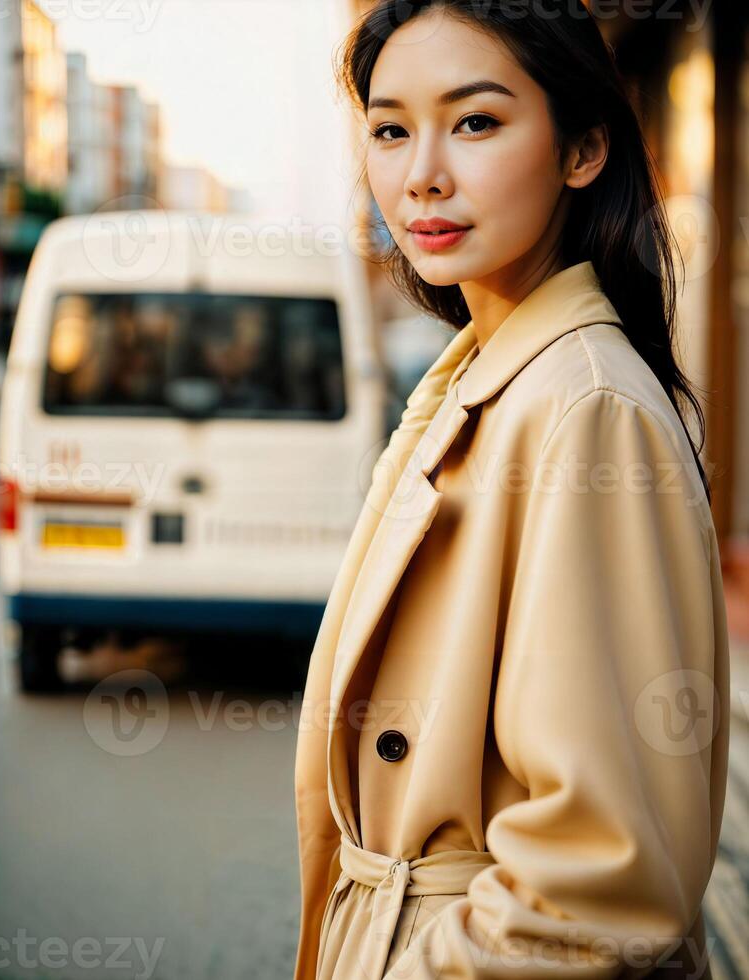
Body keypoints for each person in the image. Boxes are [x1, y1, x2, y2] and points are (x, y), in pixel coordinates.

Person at [293, 2, 730, 978]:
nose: (423, 174)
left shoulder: (582, 409)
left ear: (581, 148)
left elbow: (594, 876)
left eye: (477, 121)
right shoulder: (482, 383)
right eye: (391, 129)